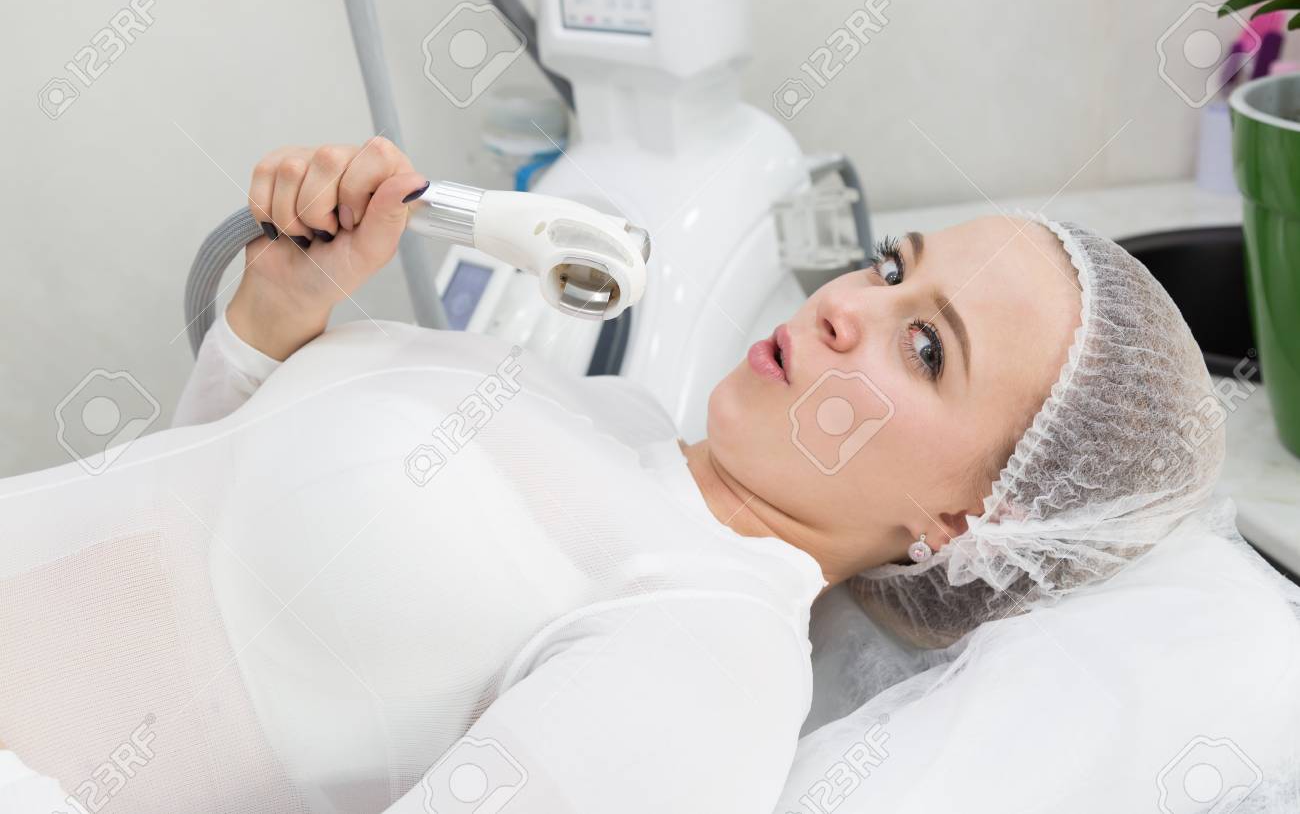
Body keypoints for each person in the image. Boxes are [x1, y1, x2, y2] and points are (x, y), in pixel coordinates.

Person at [1, 140, 1296, 813]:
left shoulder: (705, 662)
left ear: (966, 522)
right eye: (895, 267)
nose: (848, 304)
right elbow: (189, 541)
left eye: (925, 346)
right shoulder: (609, 417)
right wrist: (274, 319)